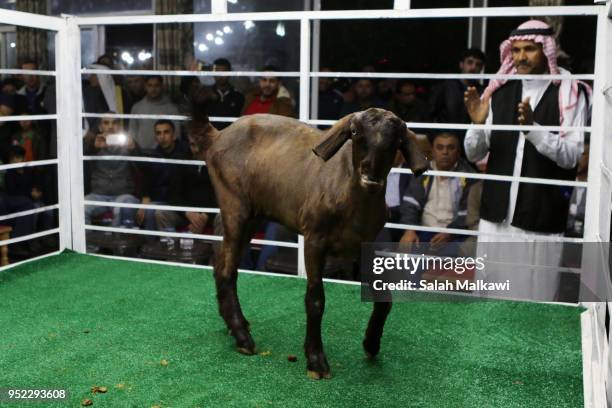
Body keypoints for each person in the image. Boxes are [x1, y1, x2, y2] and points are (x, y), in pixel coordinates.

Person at [463, 20, 590, 300]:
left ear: (547, 51)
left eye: (530, 49)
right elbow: (474, 155)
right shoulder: (499, 91)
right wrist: (476, 125)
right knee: (488, 298)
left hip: (539, 221)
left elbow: (571, 157)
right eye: (516, 50)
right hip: (495, 220)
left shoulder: (569, 92)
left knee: (533, 302)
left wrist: (534, 129)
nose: (521, 57)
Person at [399, 132, 475, 246]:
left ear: (459, 152)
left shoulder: (469, 176)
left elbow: (467, 214)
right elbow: (410, 204)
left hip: (455, 236)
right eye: (440, 147)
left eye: (451, 148)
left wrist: (449, 233)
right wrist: (410, 230)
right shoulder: (423, 171)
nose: (445, 152)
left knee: (455, 256)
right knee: (407, 252)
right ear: (432, 151)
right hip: (423, 231)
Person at [83, 114, 140, 227]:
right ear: (100, 127)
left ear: (120, 126)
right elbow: (82, 159)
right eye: (106, 123)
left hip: (124, 195)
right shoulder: (96, 144)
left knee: (121, 208)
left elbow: (143, 167)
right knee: (80, 208)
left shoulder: (128, 143)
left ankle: (113, 242)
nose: (110, 126)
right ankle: (89, 244)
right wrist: (93, 148)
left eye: (114, 123)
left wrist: (134, 149)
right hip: (98, 195)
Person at [137, 120, 191, 231]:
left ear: (174, 135)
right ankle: (149, 246)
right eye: (158, 133)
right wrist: (145, 198)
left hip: (180, 201)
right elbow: (146, 181)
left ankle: (152, 245)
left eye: (166, 132)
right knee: (145, 208)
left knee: (152, 210)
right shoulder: (153, 156)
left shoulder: (186, 153)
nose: (162, 136)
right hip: (159, 200)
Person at [429, 48, 485, 148]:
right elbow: (430, 116)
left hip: (468, 146)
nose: (473, 67)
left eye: (478, 64)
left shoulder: (482, 92)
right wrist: (437, 139)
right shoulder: (445, 87)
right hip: (445, 145)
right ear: (461, 64)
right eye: (470, 62)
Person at [128, 76, 180, 153]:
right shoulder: (137, 107)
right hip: (141, 154)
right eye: (150, 85)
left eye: (156, 85)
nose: (153, 89)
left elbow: (176, 135)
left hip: (164, 155)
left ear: (162, 87)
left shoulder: (172, 109)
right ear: (145, 87)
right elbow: (132, 133)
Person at [207, 58, 244, 130]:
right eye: (217, 72)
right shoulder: (206, 95)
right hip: (210, 137)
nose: (221, 76)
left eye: (224, 72)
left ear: (230, 73)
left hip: (232, 137)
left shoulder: (239, 97)